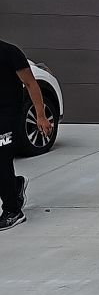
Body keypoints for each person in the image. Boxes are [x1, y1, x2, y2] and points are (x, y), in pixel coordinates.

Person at [0, 39, 53, 231]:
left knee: (2, 159)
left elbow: (31, 83)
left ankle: (13, 211)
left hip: (8, 113)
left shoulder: (9, 52)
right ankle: (15, 185)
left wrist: (41, 115)